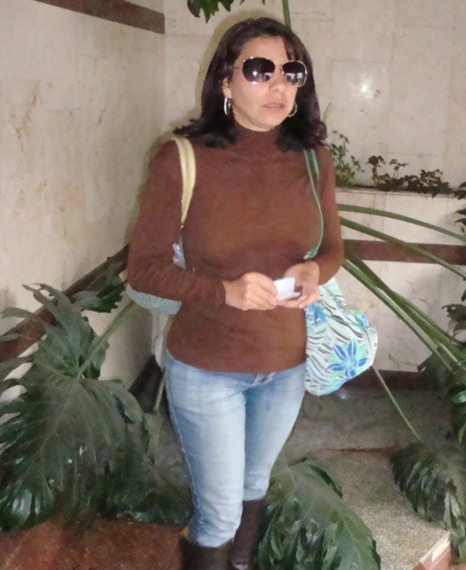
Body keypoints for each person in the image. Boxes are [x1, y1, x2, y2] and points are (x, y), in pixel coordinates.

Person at [127, 16, 343, 570]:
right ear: (225, 80)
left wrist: (315, 271)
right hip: (207, 366)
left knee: (253, 486)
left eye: (291, 72)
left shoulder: (314, 159)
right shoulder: (181, 159)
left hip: (286, 364)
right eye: (259, 69)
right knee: (219, 513)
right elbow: (143, 271)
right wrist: (225, 292)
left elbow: (333, 249)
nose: (279, 85)